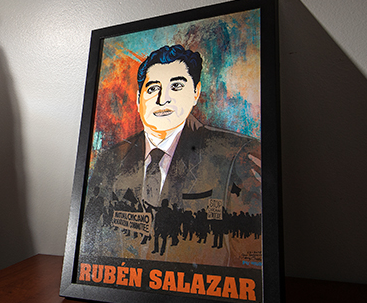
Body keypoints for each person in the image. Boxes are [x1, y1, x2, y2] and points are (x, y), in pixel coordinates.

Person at [85, 44, 261, 267]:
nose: (162, 99)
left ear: (196, 93)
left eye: (176, 86)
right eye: (152, 89)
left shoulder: (237, 155)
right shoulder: (110, 159)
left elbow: (252, 262)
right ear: (139, 98)